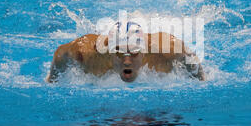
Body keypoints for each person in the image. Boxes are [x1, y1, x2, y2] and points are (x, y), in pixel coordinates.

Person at [47, 21, 205, 83]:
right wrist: (51, 80)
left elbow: (190, 57)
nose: (127, 61)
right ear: (109, 53)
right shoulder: (86, 54)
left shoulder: (167, 51)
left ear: (144, 52)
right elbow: (60, 54)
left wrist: (201, 79)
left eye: (134, 53)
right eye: (119, 53)